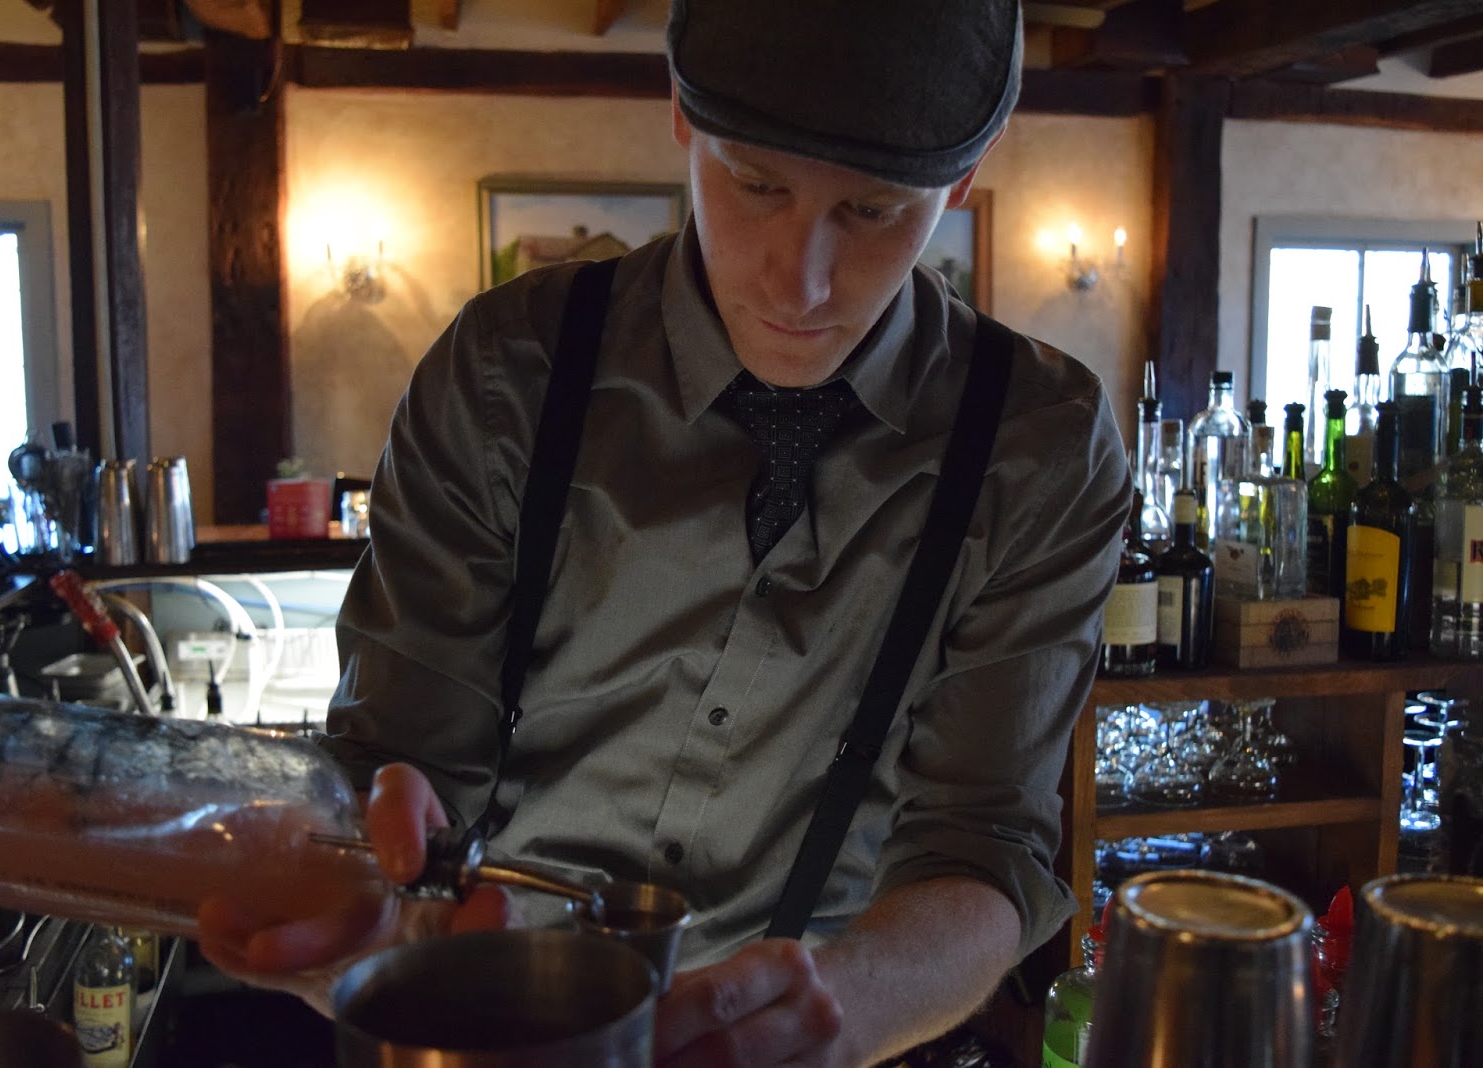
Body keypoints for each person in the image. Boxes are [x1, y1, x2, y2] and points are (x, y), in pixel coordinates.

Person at [197, 2, 1133, 1064]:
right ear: (682, 115)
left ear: (960, 183)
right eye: (756, 185)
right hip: (492, 1018)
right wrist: (367, 889)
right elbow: (399, 762)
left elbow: (983, 842)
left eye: (872, 211)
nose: (799, 282)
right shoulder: (508, 370)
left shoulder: (1037, 444)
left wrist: (841, 1010)